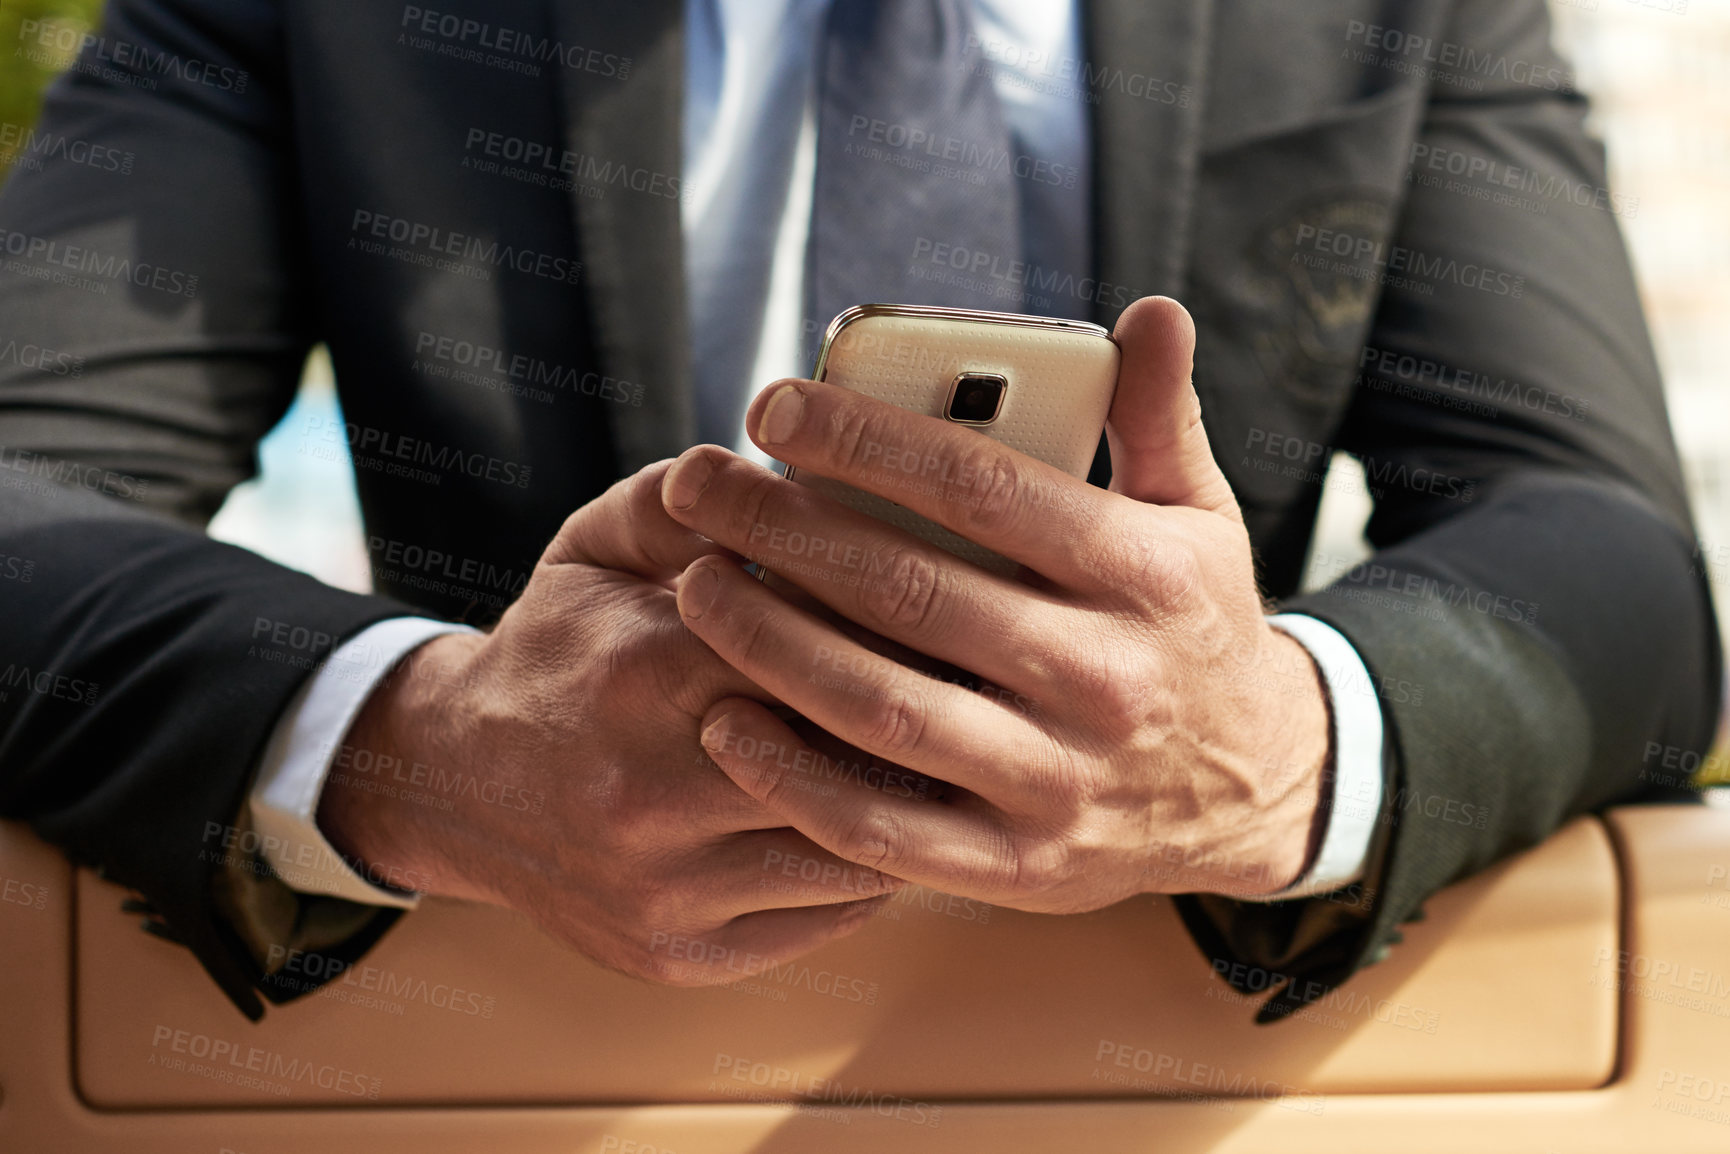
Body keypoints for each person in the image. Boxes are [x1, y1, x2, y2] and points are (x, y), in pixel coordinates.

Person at [0, 0, 1716, 1027]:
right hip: (509, 1051)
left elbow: (1597, 540)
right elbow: (27, 488)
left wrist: (1283, 744)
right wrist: (420, 744)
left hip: (1164, 1053)